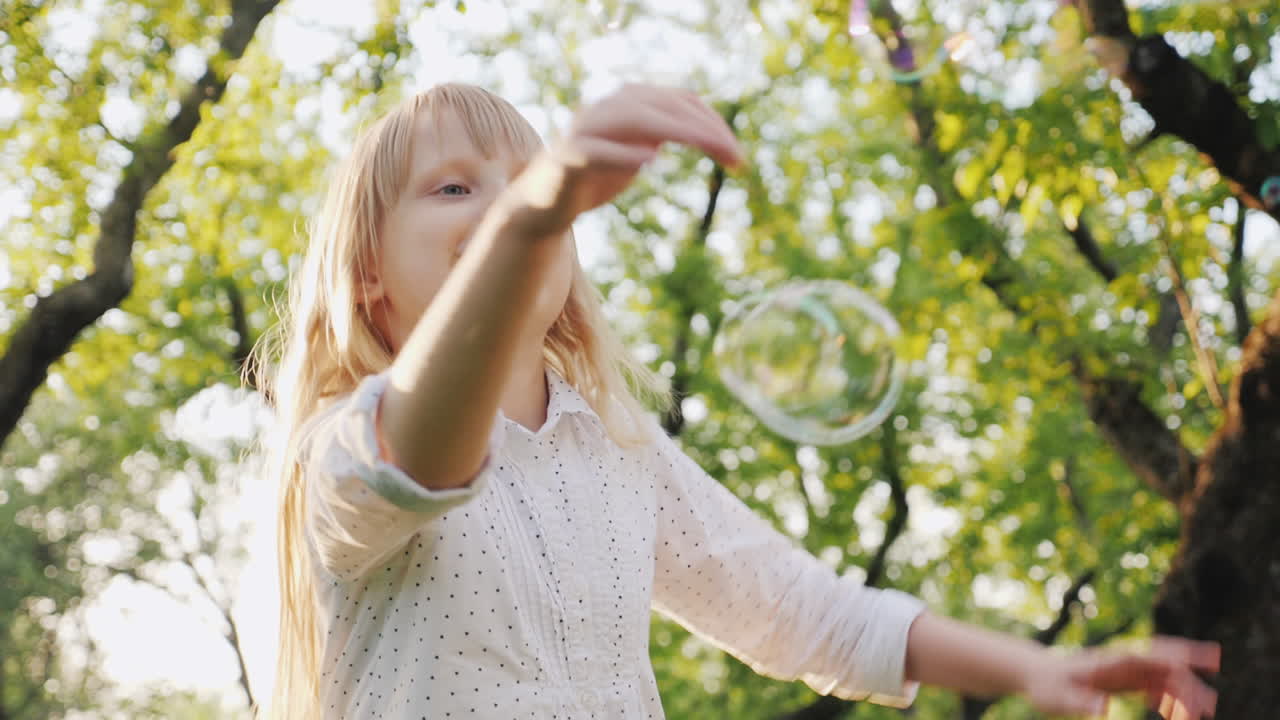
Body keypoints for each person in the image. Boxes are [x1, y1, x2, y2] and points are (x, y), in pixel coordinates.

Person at [248, 82, 1219, 720]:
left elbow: (804, 613)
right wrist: (538, 204)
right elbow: (419, 460)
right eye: (456, 187)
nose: (510, 204)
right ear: (368, 275)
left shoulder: (619, 452)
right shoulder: (339, 448)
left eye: (533, 189)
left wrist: (1030, 667)